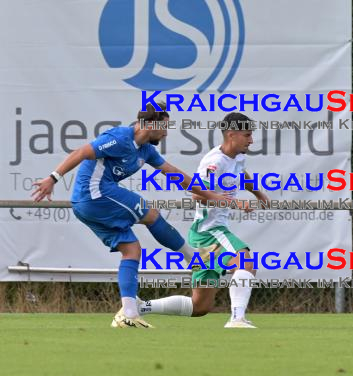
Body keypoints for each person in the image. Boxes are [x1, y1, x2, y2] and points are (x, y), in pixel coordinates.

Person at [32, 102, 229, 328]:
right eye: (163, 127)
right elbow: (81, 152)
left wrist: (211, 196)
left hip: (91, 204)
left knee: (132, 250)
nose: (166, 132)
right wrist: (52, 178)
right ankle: (194, 260)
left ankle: (129, 314)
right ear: (147, 124)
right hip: (94, 195)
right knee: (151, 214)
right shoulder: (119, 137)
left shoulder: (146, 150)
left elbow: (174, 173)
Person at [138, 112, 269, 328]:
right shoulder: (214, 162)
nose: (251, 140)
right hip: (209, 231)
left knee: (200, 307)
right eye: (247, 135)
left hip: (204, 236)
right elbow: (197, 195)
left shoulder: (237, 156)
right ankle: (237, 319)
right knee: (244, 261)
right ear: (231, 135)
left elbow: (240, 172)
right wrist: (235, 203)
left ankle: (140, 306)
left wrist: (258, 194)